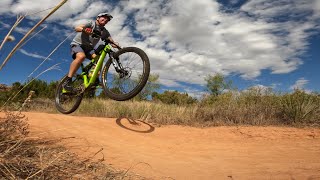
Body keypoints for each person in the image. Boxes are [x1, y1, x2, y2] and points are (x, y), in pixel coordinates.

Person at [63, 13, 119, 91]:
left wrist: (116, 45)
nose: (106, 20)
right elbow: (77, 28)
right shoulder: (91, 23)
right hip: (78, 44)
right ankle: (68, 80)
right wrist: (84, 30)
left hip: (89, 49)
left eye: (107, 20)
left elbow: (111, 41)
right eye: (104, 17)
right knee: (81, 57)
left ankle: (94, 78)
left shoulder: (104, 31)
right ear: (98, 18)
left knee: (99, 60)